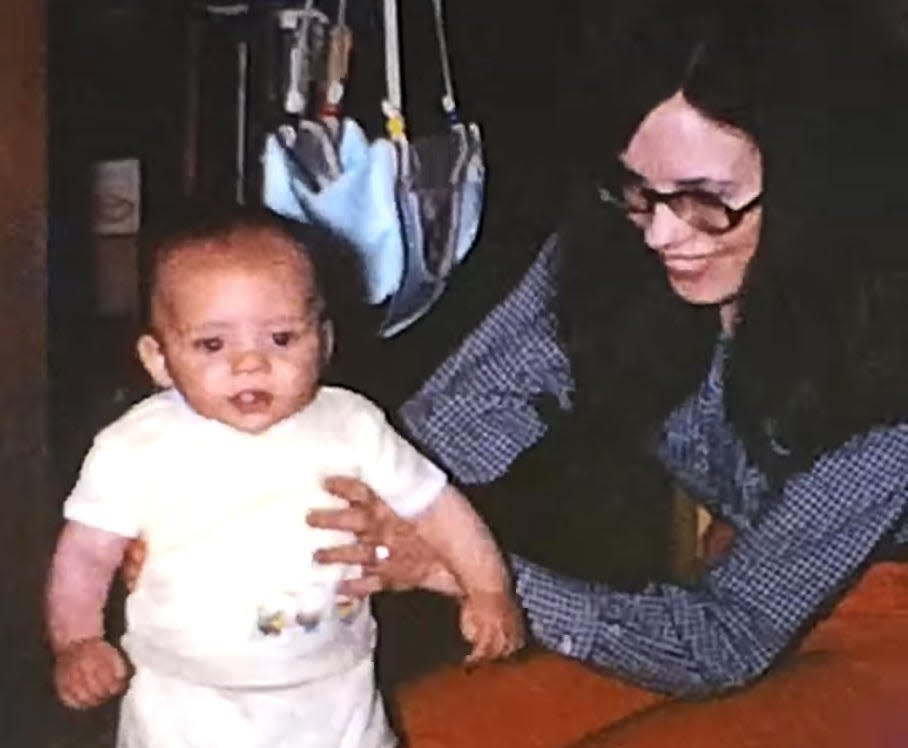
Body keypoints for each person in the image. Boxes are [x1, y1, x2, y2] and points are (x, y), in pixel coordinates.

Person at [302, 1, 908, 743]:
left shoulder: (890, 351)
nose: (661, 232)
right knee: (401, 730)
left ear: (818, 187)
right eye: (637, 190)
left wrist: (459, 562)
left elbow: (724, 644)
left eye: (704, 200)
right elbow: (453, 422)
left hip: (877, 635)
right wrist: (272, 488)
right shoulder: (621, 245)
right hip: (734, 587)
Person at [44, 206, 523, 748]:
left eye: (281, 338)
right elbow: (85, 554)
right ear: (158, 359)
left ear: (323, 340)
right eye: (212, 345)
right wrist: (77, 640)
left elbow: (437, 506)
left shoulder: (352, 425)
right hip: (185, 699)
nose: (250, 364)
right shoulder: (135, 446)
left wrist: (486, 587)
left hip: (334, 693)